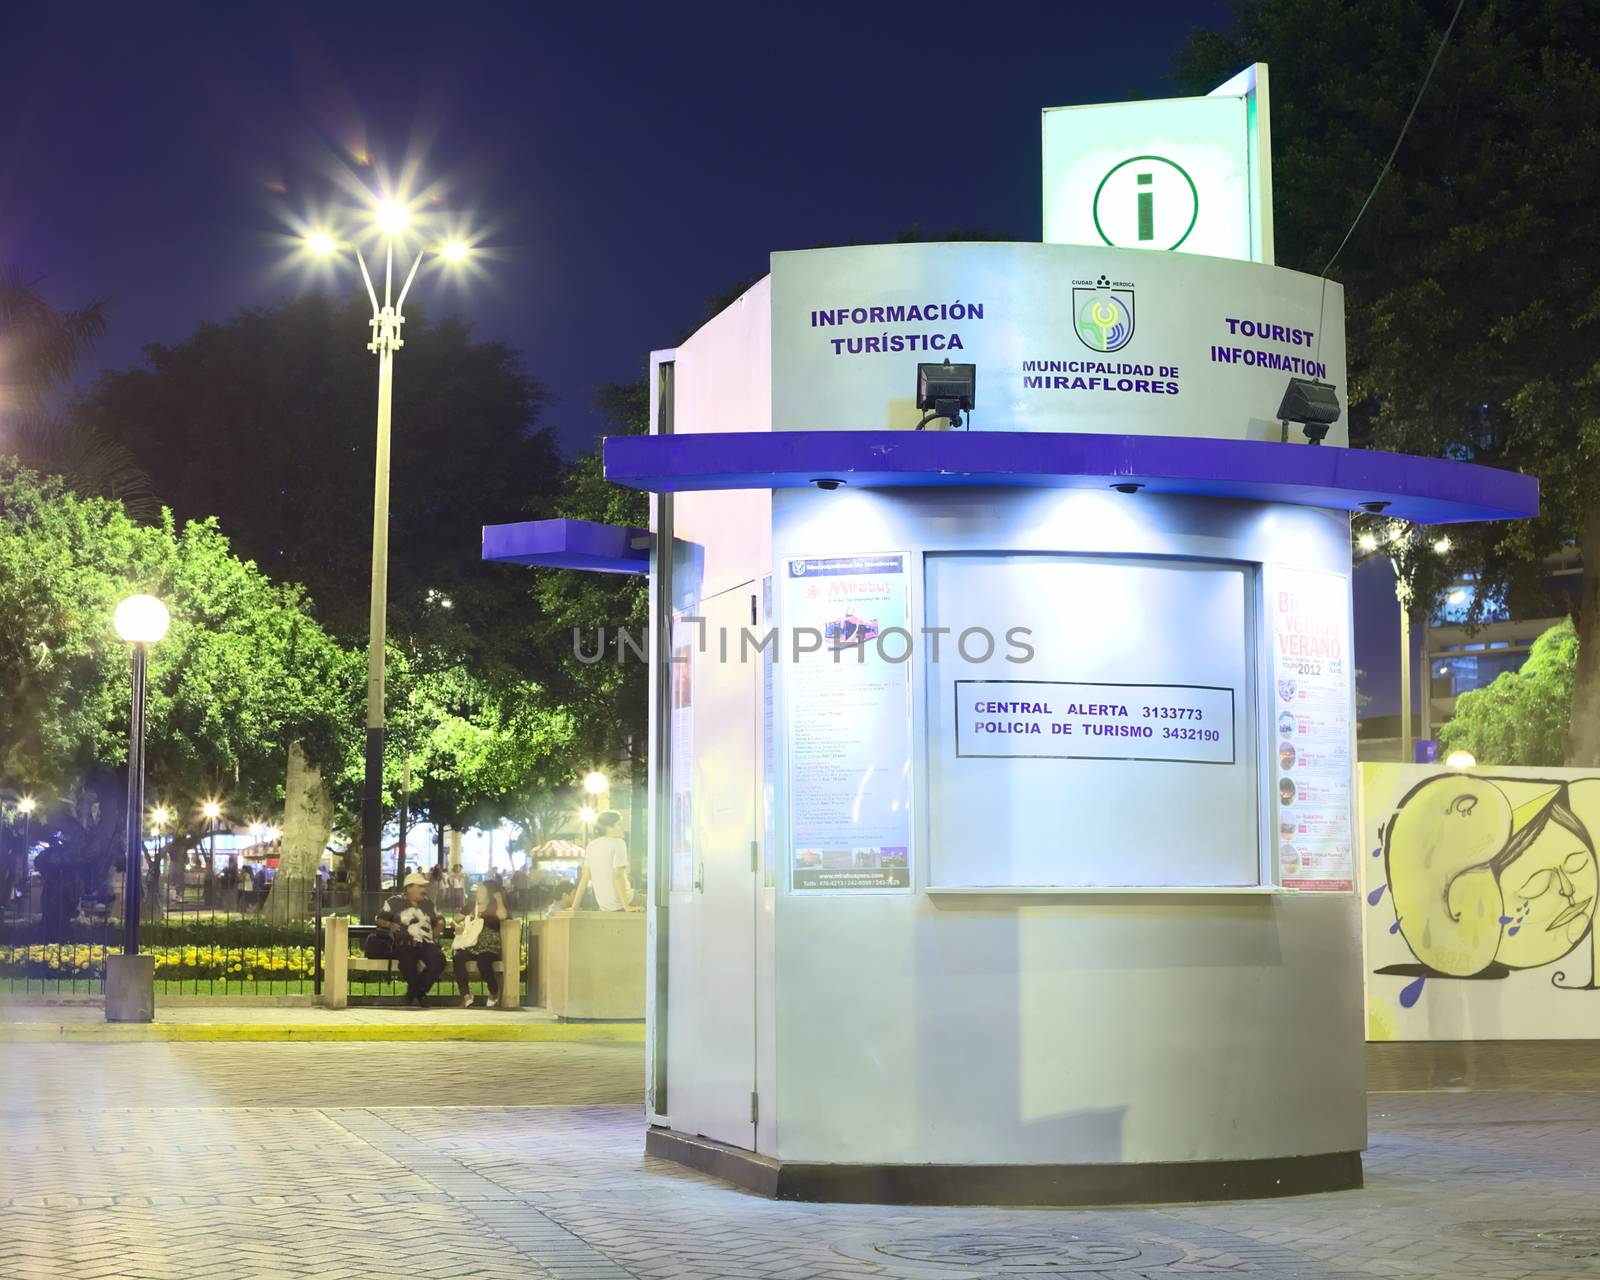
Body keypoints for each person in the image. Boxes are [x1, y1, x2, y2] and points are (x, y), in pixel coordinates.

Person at [374, 871, 446, 1007]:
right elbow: (378, 919)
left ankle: (414, 993)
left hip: (426, 943)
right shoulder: (394, 902)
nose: (424, 890)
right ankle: (420, 994)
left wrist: (440, 925)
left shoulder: (428, 904)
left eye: (424, 887)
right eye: (420, 887)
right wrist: (389, 924)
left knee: (439, 959)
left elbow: (440, 918)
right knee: (408, 962)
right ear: (409, 887)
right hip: (404, 943)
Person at [452, 878, 509, 1008]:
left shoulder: (494, 906)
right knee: (458, 958)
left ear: (490, 893)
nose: (478, 894)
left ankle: (494, 992)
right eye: (478, 891)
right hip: (472, 944)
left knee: (484, 962)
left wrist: (499, 900)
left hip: (489, 946)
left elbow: (502, 916)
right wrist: (457, 927)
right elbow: (455, 920)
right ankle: (466, 995)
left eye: (482, 891)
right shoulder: (472, 906)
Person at [571, 811, 641, 912]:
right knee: (656, 900)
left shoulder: (591, 846)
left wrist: (574, 907)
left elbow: (585, 878)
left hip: (605, 907)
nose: (622, 828)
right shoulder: (619, 843)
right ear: (609, 828)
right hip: (626, 901)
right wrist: (627, 906)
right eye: (619, 825)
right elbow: (618, 875)